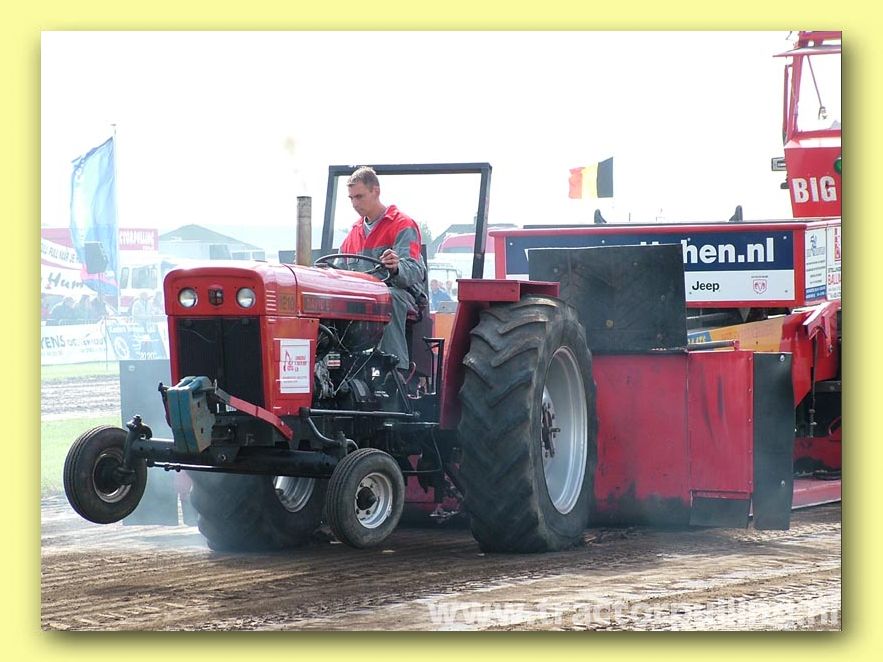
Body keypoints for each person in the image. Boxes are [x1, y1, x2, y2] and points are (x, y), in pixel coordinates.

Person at [340, 166, 427, 371]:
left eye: (359, 196)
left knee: (388, 298)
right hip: (363, 297)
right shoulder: (353, 234)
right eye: (351, 198)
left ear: (375, 191)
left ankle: (394, 370)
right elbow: (339, 270)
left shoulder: (402, 224)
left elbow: (415, 270)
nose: (355, 203)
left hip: (401, 294)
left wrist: (396, 268)